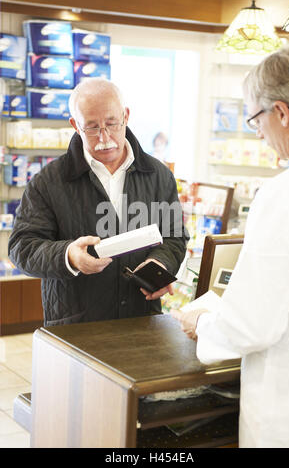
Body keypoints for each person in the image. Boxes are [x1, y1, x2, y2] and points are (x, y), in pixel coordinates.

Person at [171, 46, 289, 448]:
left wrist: (204, 323)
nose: (255, 132)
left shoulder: (285, 196)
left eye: (255, 118)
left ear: (281, 112)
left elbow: (253, 327)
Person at [8, 78, 188, 326]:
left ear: (125, 115)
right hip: (76, 329)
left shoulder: (159, 175)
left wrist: (159, 265)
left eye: (112, 124)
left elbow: (174, 236)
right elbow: (22, 248)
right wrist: (68, 255)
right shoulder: (48, 182)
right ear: (75, 125)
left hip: (141, 322)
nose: (105, 138)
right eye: (92, 128)